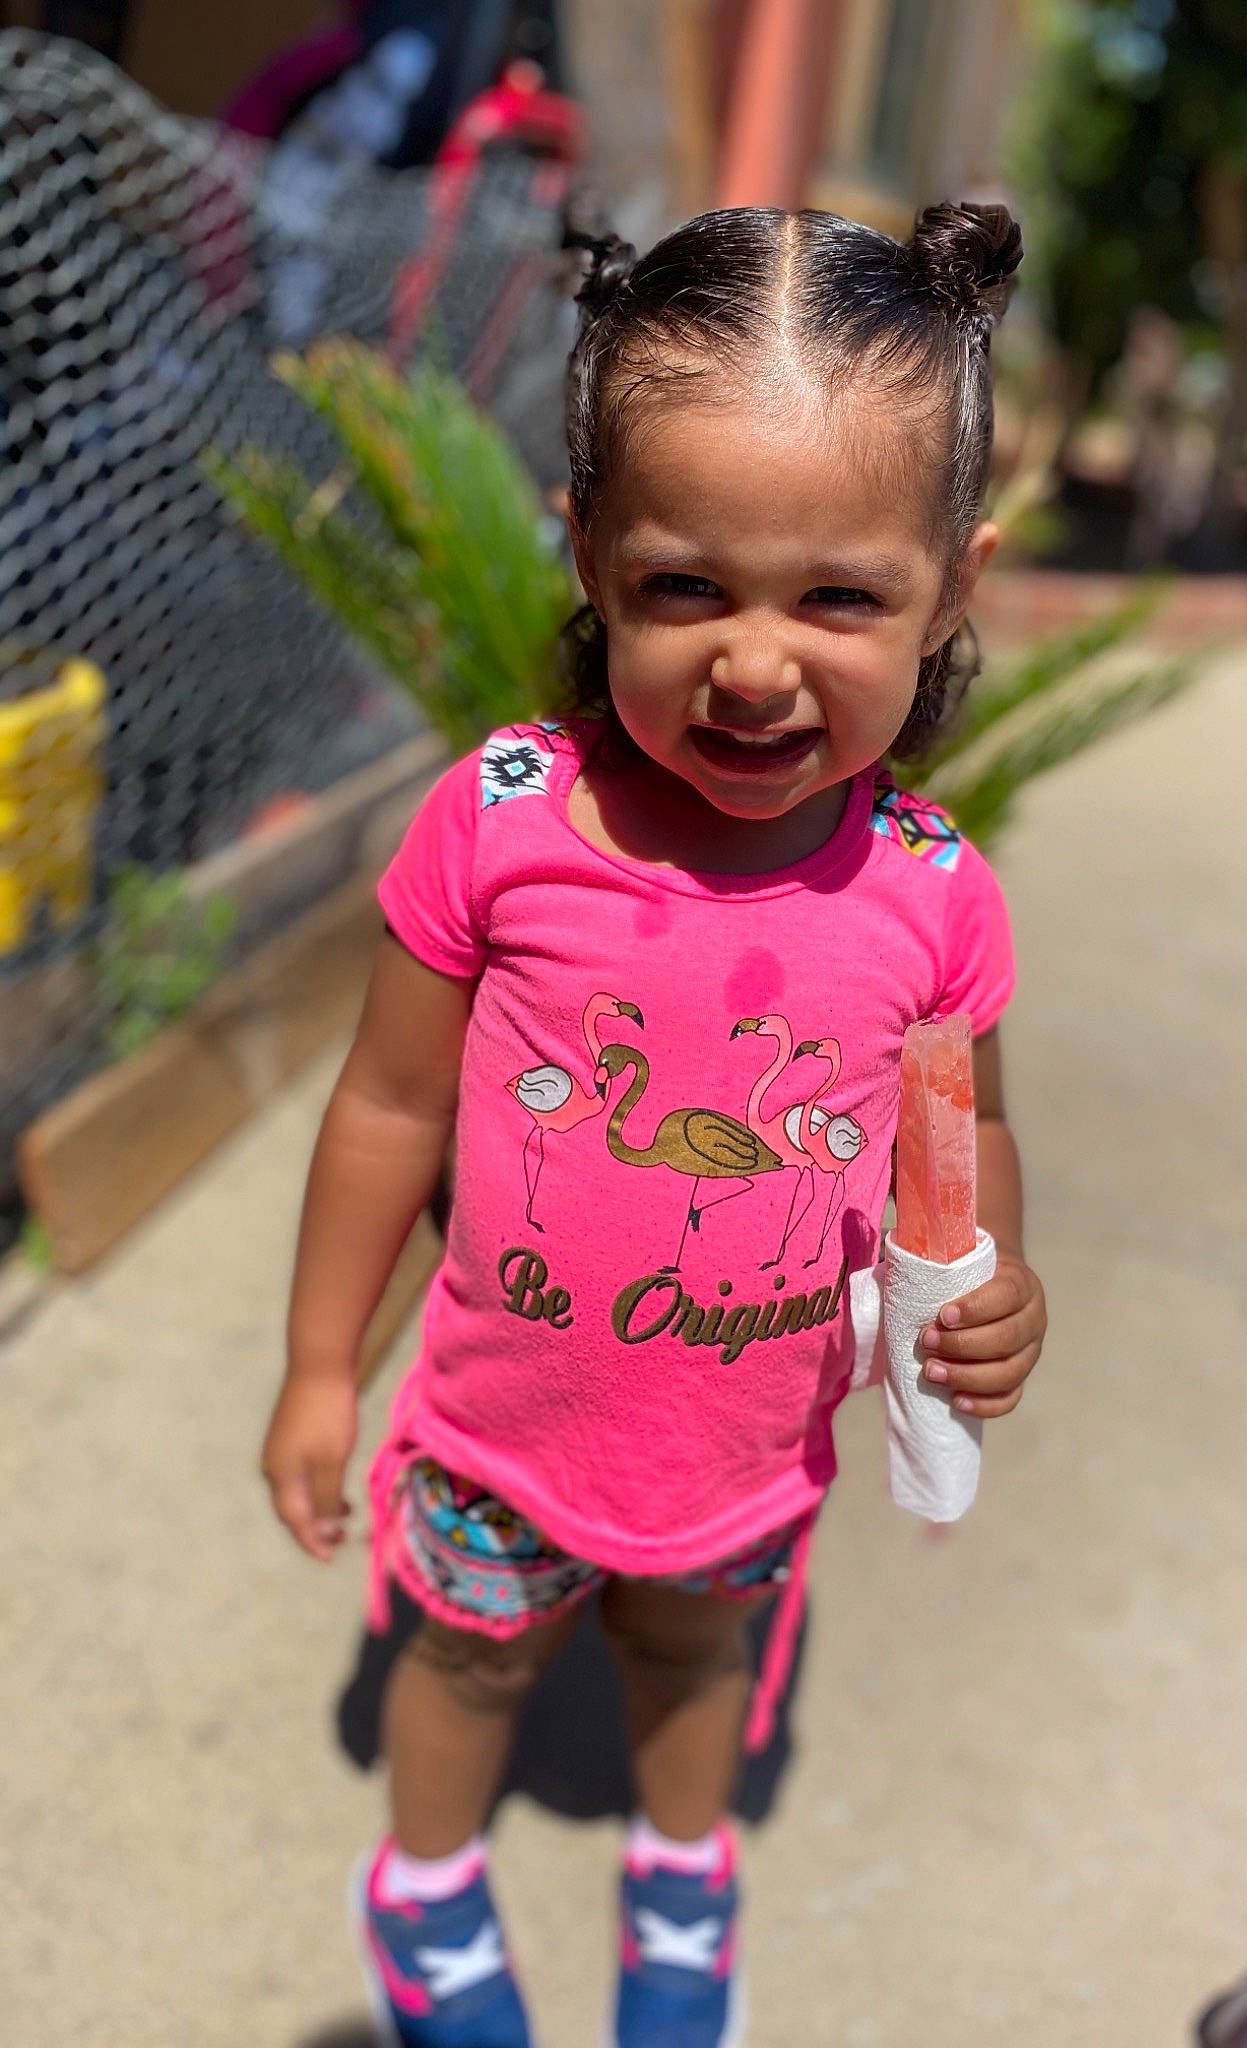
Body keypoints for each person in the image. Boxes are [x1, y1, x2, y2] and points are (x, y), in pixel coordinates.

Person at [261, 200, 1049, 2048]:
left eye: (840, 596)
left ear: (954, 582)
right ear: (593, 558)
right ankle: (429, 1887)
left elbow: (972, 1136)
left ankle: (681, 1871)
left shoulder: (935, 895)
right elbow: (385, 1101)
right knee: (461, 1661)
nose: (758, 665)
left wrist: (992, 1274)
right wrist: (318, 1364)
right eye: (689, 586)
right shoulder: (505, 817)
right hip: (495, 1431)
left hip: (743, 1437)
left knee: (700, 1654)